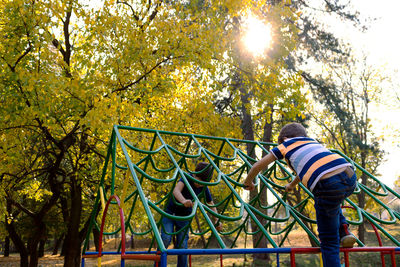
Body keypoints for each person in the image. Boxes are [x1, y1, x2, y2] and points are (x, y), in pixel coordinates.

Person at [243, 122, 357, 267]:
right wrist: (291, 185)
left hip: (327, 184)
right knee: (334, 202)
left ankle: (338, 240)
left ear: (284, 138)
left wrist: (248, 182)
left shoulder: (284, 146)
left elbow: (258, 165)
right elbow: (304, 170)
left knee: (329, 242)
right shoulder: (312, 142)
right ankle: (344, 230)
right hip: (348, 174)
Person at [160, 162, 222, 267]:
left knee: (183, 246)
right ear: (194, 175)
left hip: (184, 218)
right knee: (165, 239)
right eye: (200, 181)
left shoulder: (204, 187)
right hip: (170, 214)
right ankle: (158, 264)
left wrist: (216, 220)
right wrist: (183, 201)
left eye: (204, 183)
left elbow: (211, 204)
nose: (200, 184)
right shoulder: (187, 178)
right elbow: (176, 191)